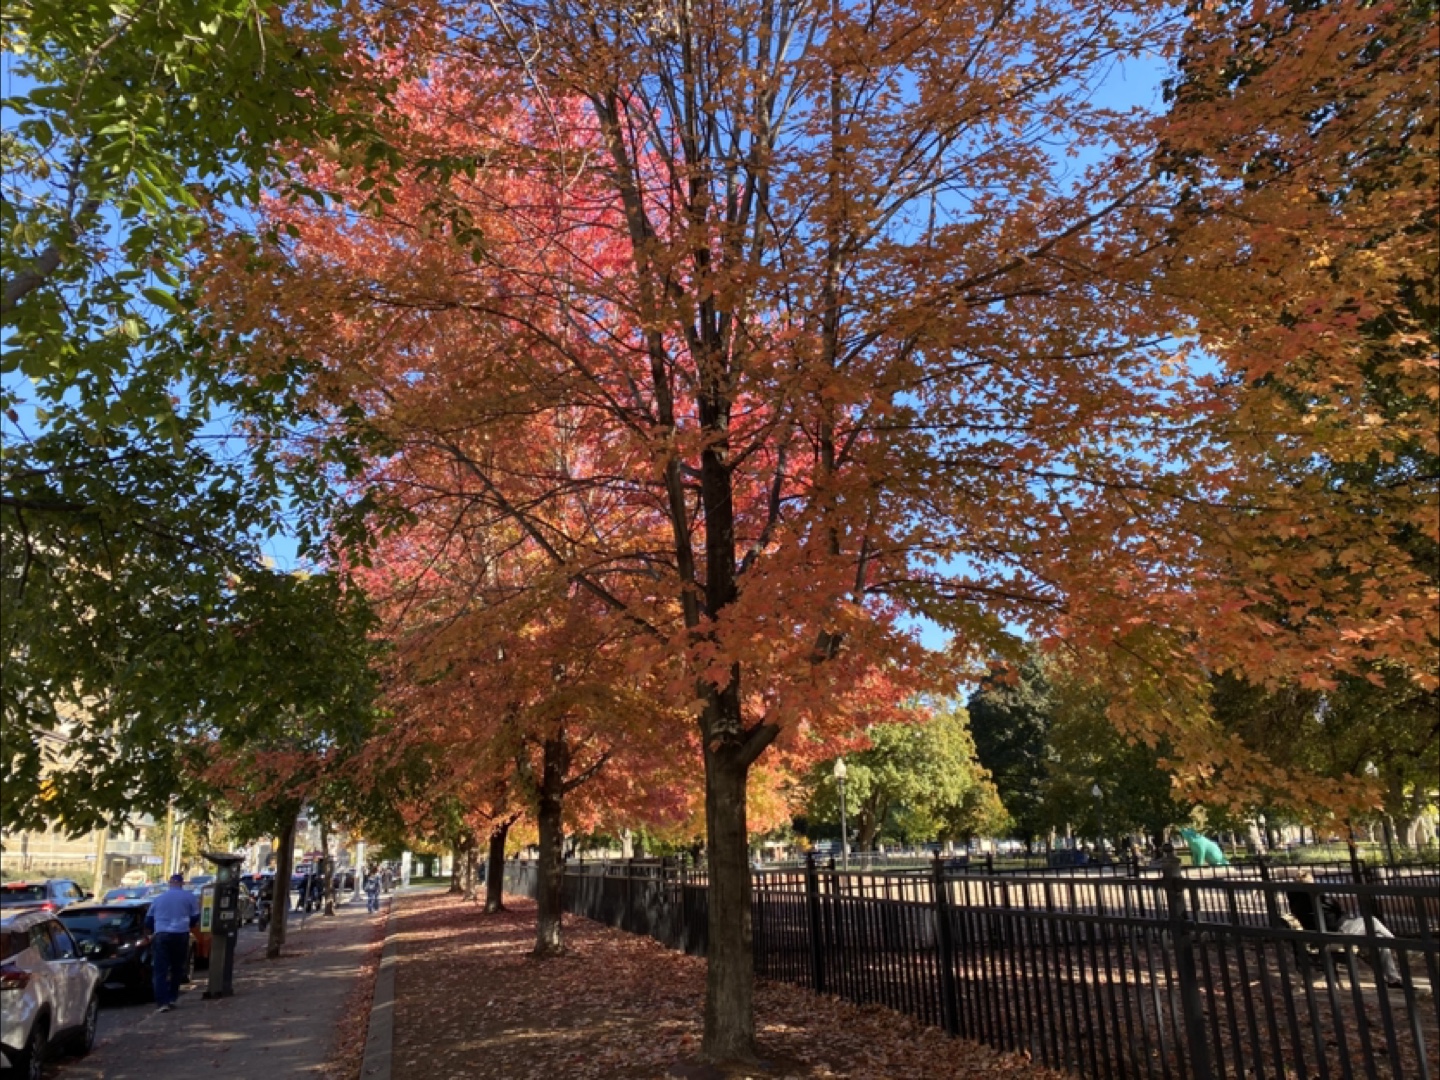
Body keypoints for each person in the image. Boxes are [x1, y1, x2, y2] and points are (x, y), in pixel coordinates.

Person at [1286, 869, 1404, 987]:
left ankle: (1392, 979)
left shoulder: (1295, 900)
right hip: (1337, 931)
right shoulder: (1316, 897)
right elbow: (1336, 910)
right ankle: (1396, 943)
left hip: (1325, 934)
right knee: (1372, 921)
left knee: (1378, 941)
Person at [144, 873, 200, 1012]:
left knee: (160, 970)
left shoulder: (158, 899)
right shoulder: (189, 897)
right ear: (182, 884)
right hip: (181, 934)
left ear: (169, 883)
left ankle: (162, 1002)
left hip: (162, 934)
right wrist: (187, 925)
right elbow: (195, 917)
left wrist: (155, 929)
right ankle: (172, 997)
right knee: (177, 968)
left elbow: (148, 920)